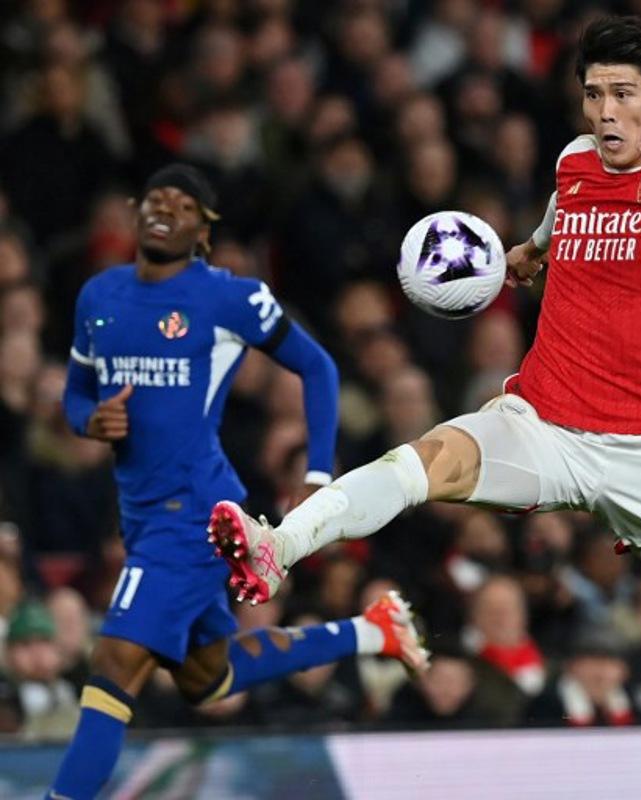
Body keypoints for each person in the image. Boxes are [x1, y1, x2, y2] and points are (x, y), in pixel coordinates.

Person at [210, 17, 641, 778]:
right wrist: (530, 252)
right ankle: (280, 545)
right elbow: (561, 214)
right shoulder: (576, 161)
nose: (605, 111)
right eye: (593, 94)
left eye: (623, 95)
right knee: (424, 461)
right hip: (545, 421)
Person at [49, 164, 429, 800]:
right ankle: (373, 630)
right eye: (155, 197)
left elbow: (318, 368)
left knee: (113, 666)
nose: (165, 207)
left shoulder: (230, 298)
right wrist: (91, 418)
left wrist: (317, 473)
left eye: (184, 203)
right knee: (207, 680)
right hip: (140, 512)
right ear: (136, 210)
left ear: (204, 230)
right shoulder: (100, 296)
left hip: (195, 514)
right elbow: (75, 393)